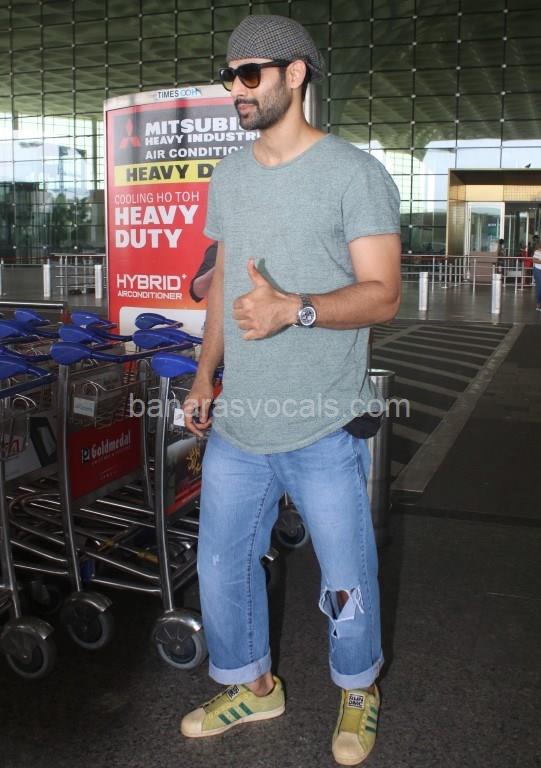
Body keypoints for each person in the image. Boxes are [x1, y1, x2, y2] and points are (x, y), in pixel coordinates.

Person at [180, 14, 401, 767]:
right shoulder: (230, 175)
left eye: (250, 74)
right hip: (240, 425)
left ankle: (358, 688)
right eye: (229, 76)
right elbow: (220, 288)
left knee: (345, 580)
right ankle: (253, 687)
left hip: (322, 424)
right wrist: (205, 374)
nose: (236, 89)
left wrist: (294, 309)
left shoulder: (353, 174)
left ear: (295, 74)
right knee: (220, 569)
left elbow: (382, 295)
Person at [533, 242, 541, 310]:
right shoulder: (537, 252)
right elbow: (534, 260)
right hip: (538, 270)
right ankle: (538, 304)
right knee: (539, 287)